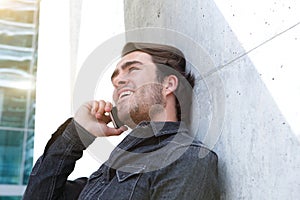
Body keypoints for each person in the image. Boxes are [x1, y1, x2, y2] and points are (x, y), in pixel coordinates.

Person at [23, 42, 220, 199]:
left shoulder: (185, 159)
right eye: (115, 77)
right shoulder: (107, 172)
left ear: (168, 84)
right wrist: (77, 133)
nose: (118, 81)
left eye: (133, 69)